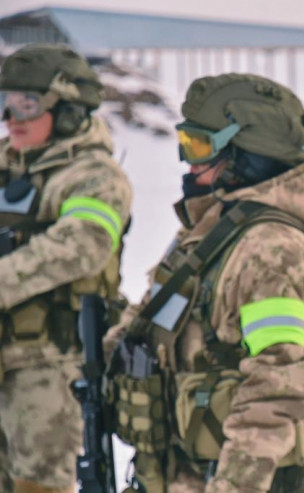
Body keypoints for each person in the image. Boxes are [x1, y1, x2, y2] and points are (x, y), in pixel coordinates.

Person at [105, 73, 304, 492]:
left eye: (199, 147)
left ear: (247, 156)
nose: (188, 163)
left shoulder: (269, 252)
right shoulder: (211, 234)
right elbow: (149, 321)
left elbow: (279, 386)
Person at [0, 44, 132, 493]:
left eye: (27, 103)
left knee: (37, 486)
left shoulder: (95, 177)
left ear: (69, 111)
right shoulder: (7, 165)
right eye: (6, 102)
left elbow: (81, 246)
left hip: (49, 367)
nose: (10, 117)